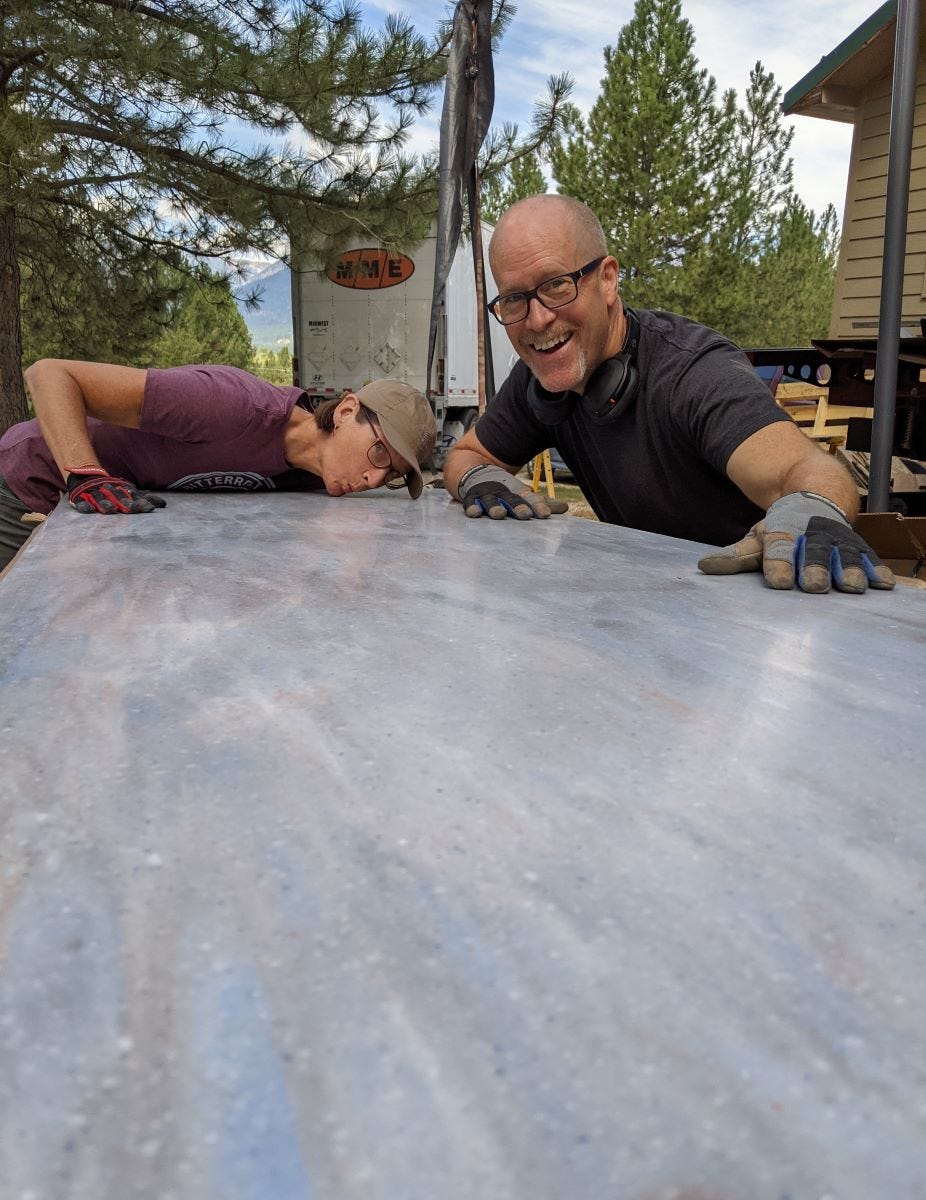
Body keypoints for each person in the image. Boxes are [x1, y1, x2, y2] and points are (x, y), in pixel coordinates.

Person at [444, 194, 894, 595]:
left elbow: (808, 467)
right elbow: (466, 455)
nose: (537, 319)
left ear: (607, 280)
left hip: (758, 614)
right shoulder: (537, 378)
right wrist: (476, 479)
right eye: (514, 299)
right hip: (641, 604)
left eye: (556, 285)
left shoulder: (692, 371)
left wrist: (812, 509)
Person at [0, 359, 436, 572]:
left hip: (94, 518)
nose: (373, 479)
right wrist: (84, 473)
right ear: (344, 412)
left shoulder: (311, 476)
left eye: (391, 474)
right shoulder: (233, 406)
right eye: (379, 452)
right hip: (32, 480)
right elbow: (51, 374)